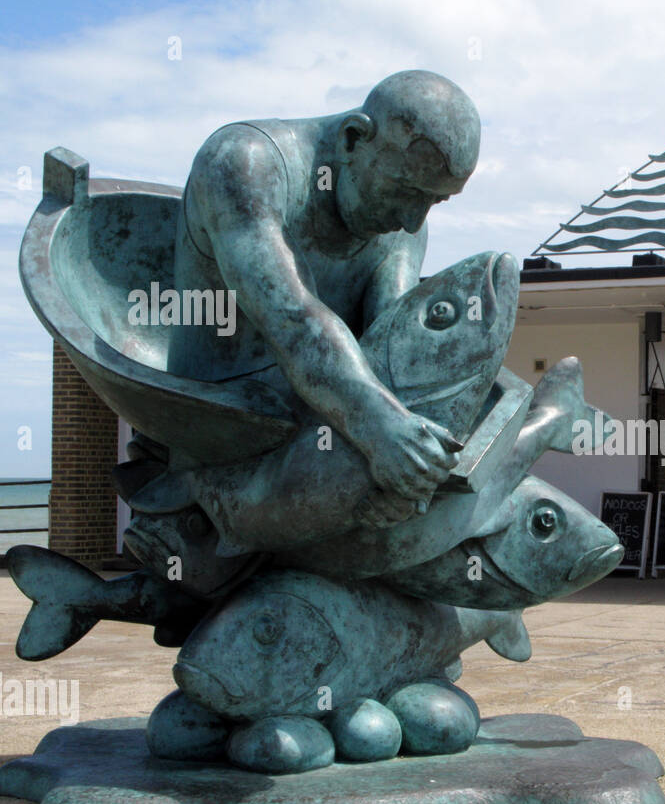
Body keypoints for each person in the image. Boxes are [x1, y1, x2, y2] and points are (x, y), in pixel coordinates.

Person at [171, 70, 481, 519]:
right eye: (407, 191)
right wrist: (381, 429)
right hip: (222, 432)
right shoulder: (244, 162)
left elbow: (392, 347)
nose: (413, 221)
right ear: (355, 138)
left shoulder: (402, 227)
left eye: (436, 202)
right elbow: (293, 319)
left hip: (332, 430)